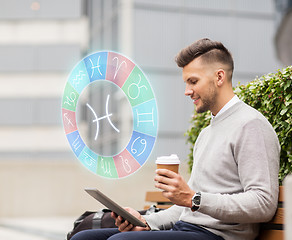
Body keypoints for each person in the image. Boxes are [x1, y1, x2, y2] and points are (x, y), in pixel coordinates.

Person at [71, 38, 280, 240]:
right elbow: (186, 207)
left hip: (217, 236)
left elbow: (263, 203)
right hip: (187, 229)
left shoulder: (251, 125)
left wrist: (194, 198)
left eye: (193, 81)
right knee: (84, 237)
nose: (187, 91)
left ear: (219, 77)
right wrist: (145, 222)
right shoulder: (207, 132)